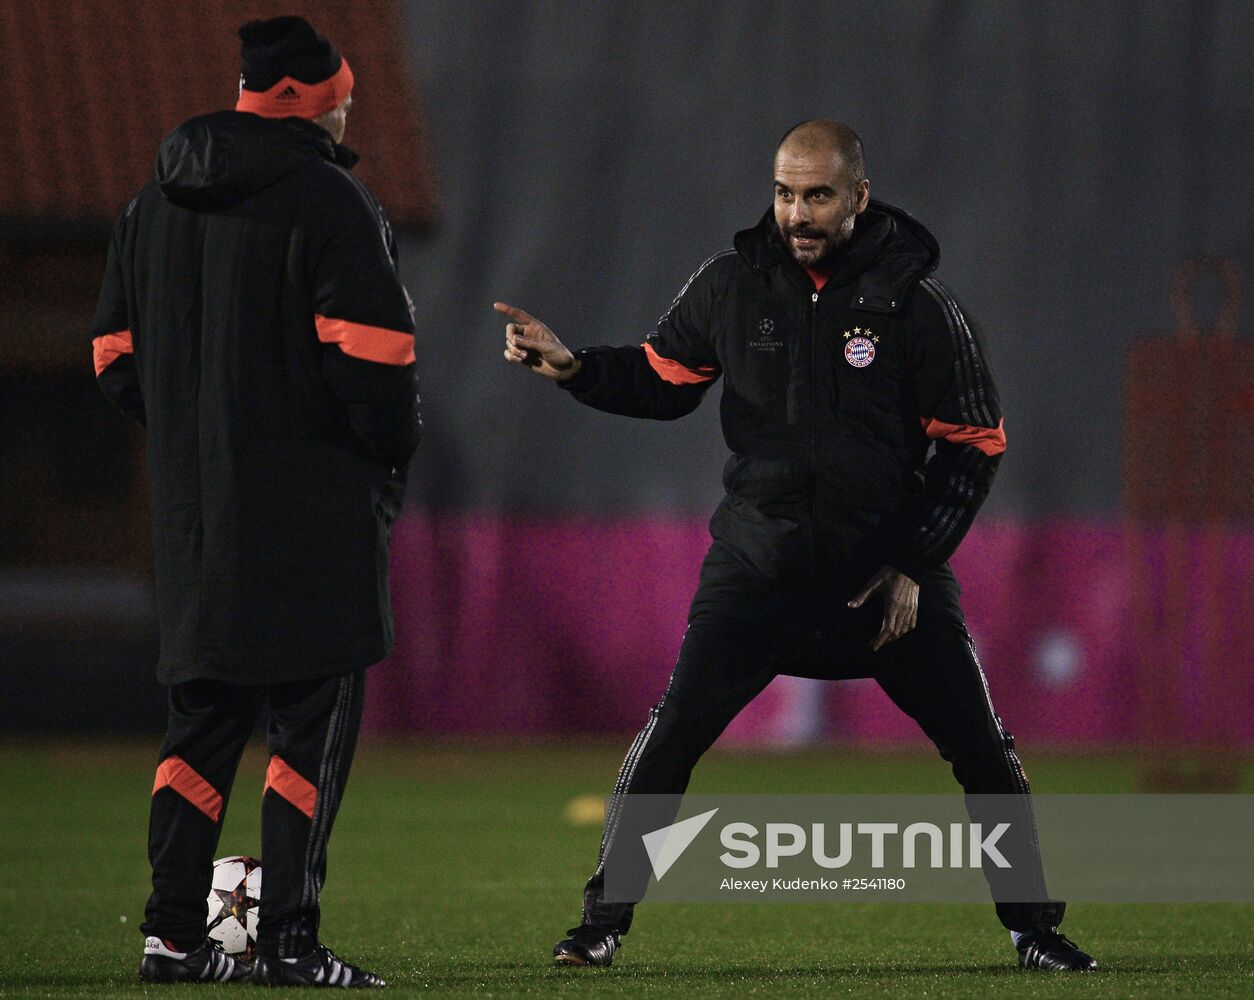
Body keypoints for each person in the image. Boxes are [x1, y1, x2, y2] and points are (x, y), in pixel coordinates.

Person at [496, 119, 1096, 973]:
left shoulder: (920, 305)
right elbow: (663, 380)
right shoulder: (731, 286)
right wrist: (574, 368)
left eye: (817, 195)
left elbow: (974, 442)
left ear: (857, 195)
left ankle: (1034, 930)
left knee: (983, 750)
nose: (797, 213)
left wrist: (916, 564)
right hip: (758, 570)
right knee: (670, 739)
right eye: (784, 193)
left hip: (885, 584)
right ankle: (601, 926)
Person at [91, 16, 420, 988]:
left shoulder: (151, 203)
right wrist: (380, 465)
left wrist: (197, 439)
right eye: (343, 96)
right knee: (306, 732)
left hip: (196, 524)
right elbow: (378, 362)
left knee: (198, 731)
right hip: (312, 518)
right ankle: (289, 942)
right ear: (302, 97)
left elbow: (112, 359)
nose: (350, 108)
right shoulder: (330, 201)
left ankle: (172, 937)